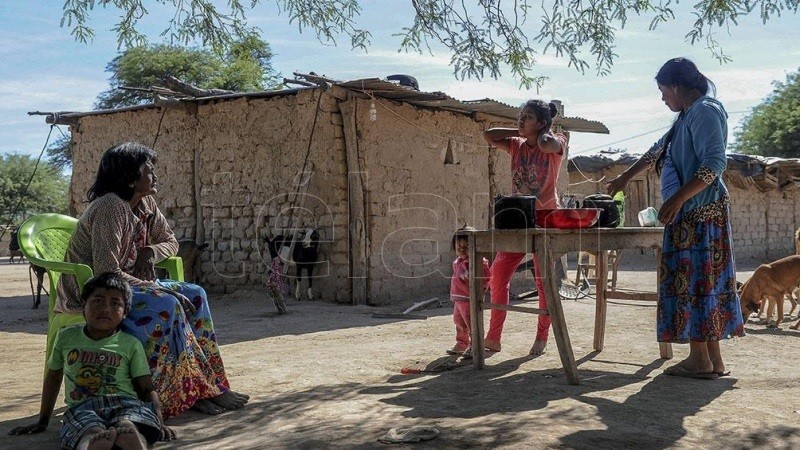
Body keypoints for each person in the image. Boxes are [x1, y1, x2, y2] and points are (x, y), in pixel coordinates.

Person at [57, 142, 248, 418]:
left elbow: (170, 241)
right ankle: (180, 393)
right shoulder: (110, 207)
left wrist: (150, 252)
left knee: (195, 294)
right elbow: (107, 273)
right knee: (167, 304)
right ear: (131, 178)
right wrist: (155, 288)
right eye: (148, 171)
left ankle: (208, 386)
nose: (155, 176)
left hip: (128, 286)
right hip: (96, 294)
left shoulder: (145, 204)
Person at [606, 57, 744, 379]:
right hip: (689, 212)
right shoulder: (685, 117)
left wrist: (679, 198)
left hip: (699, 213)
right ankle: (712, 360)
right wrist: (625, 178)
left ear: (678, 87)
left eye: (663, 90)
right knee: (702, 283)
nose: (663, 98)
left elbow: (713, 165)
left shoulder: (705, 111)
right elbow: (657, 151)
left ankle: (700, 359)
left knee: (695, 282)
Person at [9, 272, 176, 449]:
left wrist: (159, 421)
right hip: (83, 406)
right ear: (83, 305)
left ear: (125, 312)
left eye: (115, 303)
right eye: (97, 301)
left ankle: (133, 440)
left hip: (125, 403)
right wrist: (42, 420)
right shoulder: (66, 337)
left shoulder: (130, 344)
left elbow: (146, 387)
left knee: (129, 424)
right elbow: (53, 378)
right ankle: (92, 443)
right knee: (87, 430)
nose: (105, 308)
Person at [482, 100, 567, 355]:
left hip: (547, 216)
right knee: (498, 273)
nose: (520, 120)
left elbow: (549, 144)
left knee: (543, 281)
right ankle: (494, 337)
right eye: (520, 115)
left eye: (527, 117)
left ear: (541, 123)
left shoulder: (557, 140)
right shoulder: (516, 145)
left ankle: (541, 337)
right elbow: (488, 134)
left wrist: (541, 134)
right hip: (518, 216)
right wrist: (519, 130)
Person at [446, 230, 490, 358]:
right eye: (459, 246)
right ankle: (462, 343)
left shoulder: (478, 263)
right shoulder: (458, 262)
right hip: (459, 299)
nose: (462, 249)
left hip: (470, 299)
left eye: (466, 246)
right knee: (459, 322)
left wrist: (481, 290)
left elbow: (486, 278)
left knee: (472, 324)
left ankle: (475, 345)